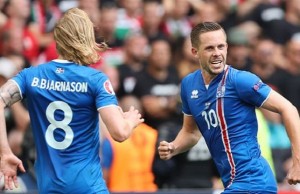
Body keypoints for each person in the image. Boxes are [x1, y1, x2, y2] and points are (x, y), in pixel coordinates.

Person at [0, 7, 144, 193]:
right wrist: (130, 121)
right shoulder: (95, 80)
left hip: (50, 188)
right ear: (87, 38)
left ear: (58, 38)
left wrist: (4, 153)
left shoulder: (31, 76)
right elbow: (119, 133)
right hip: (88, 188)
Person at [158, 21, 300, 193]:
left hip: (254, 181)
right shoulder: (189, 84)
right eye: (210, 48)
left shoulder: (240, 80)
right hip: (232, 182)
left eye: (221, 47)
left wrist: (297, 162)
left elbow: (289, 109)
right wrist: (174, 147)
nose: (217, 53)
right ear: (195, 52)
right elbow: (190, 132)